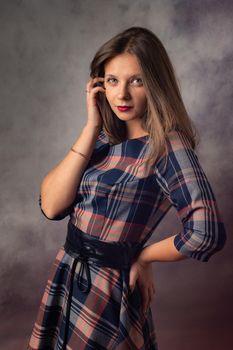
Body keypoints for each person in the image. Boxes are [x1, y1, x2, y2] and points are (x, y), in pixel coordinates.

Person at [27, 26, 227, 350]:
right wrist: (91, 126)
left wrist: (144, 256)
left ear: (155, 84)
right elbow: (51, 206)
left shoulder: (166, 146)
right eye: (112, 81)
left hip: (107, 290)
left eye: (136, 81)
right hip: (67, 272)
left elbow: (207, 232)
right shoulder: (104, 136)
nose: (121, 95)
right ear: (99, 85)